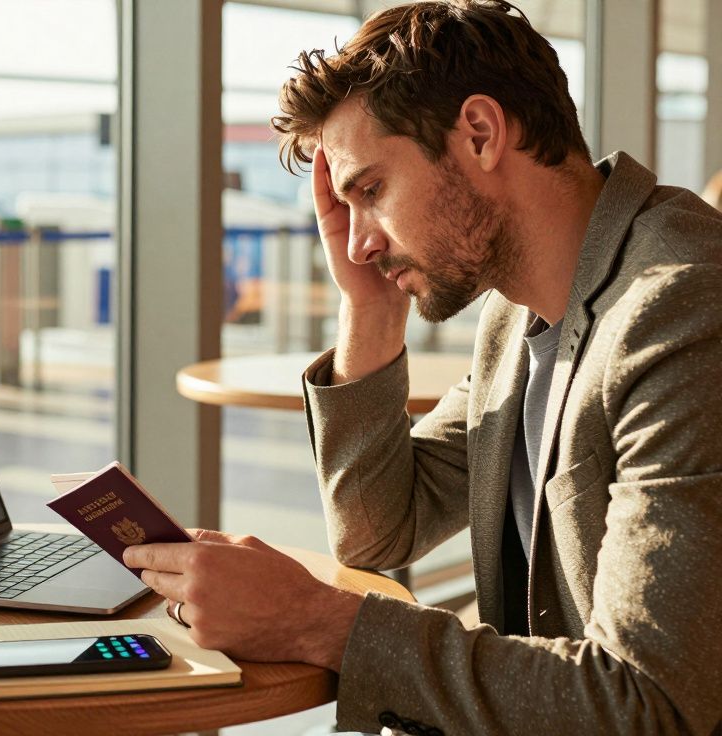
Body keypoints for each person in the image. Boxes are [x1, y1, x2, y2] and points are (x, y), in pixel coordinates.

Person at [123, 1, 722, 733]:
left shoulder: (683, 307)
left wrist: (318, 622)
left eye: (371, 190)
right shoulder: (519, 312)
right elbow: (379, 530)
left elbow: (649, 704)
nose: (358, 245)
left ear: (479, 133)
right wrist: (369, 312)